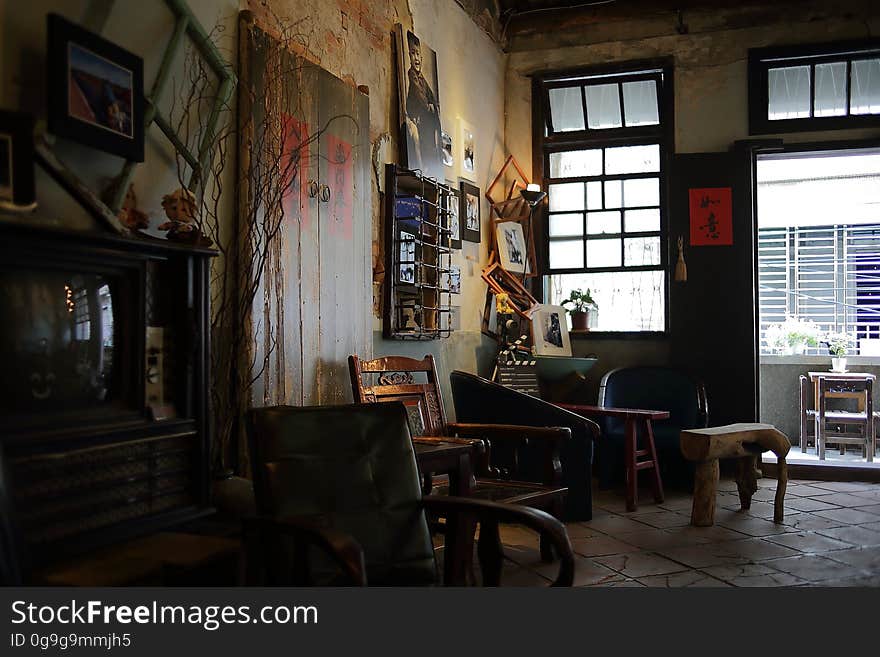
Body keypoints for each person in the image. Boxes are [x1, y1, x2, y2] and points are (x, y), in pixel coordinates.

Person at [404, 31, 441, 175]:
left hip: (424, 118)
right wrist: (429, 107)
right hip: (416, 116)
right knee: (424, 139)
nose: (416, 58)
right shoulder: (412, 75)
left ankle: (430, 166)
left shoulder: (421, 77)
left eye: (418, 54)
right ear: (409, 57)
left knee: (430, 136)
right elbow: (421, 98)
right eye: (413, 54)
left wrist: (432, 106)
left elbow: (431, 97)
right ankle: (425, 168)